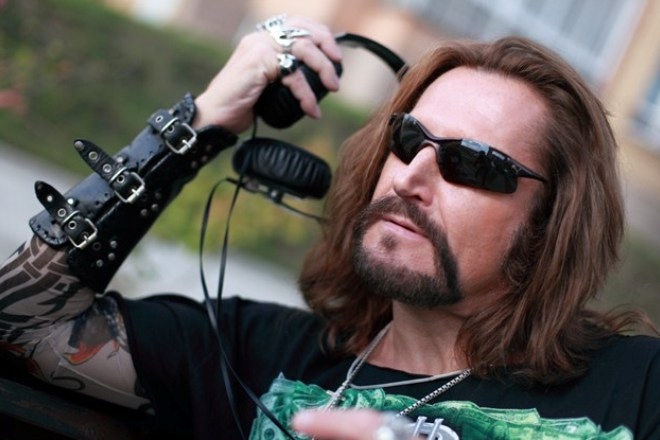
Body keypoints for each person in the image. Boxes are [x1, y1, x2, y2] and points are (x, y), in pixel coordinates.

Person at [0, 13, 658, 440]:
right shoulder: (252, 355)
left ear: (549, 226)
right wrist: (199, 124)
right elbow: (24, 325)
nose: (410, 177)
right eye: (408, 139)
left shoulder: (639, 387)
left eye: (470, 164)